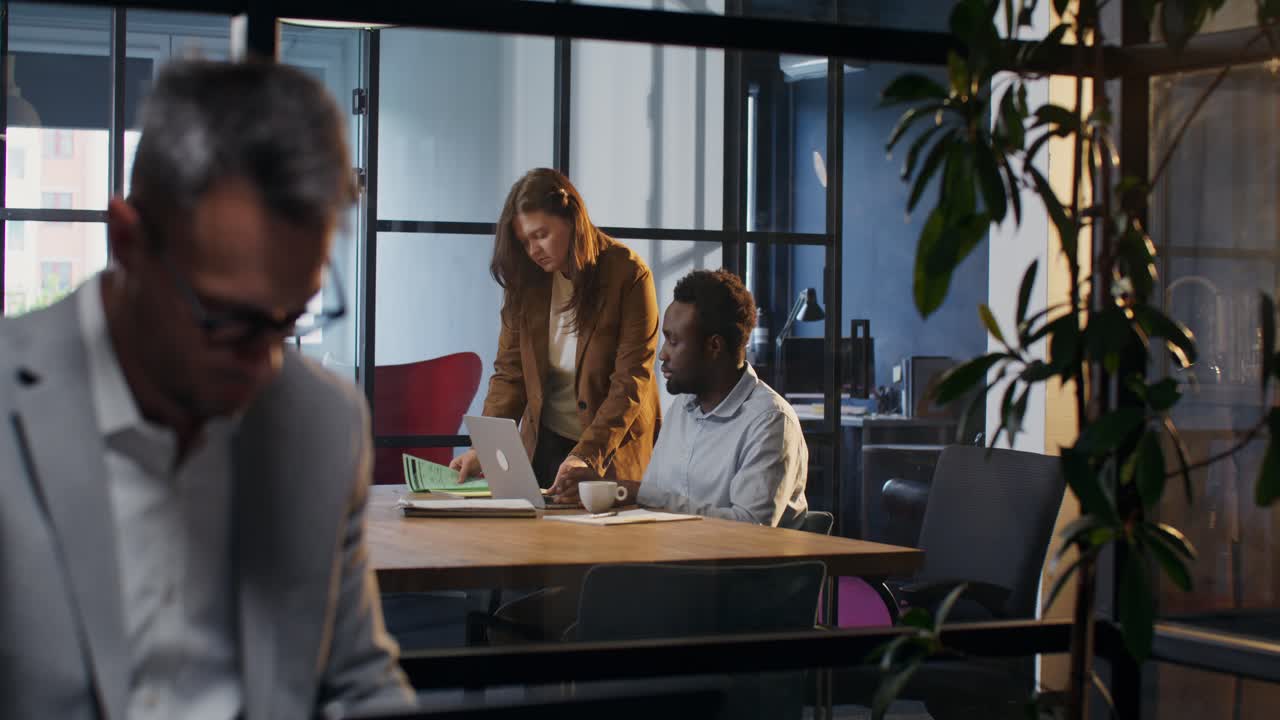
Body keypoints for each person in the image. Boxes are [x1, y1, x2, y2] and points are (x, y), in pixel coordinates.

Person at [0, 60, 413, 718]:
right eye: (229, 320)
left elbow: (358, 680)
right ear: (127, 243)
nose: (267, 364)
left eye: (293, 317)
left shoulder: (323, 423)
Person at [450, 168, 661, 489]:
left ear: (572, 220)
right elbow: (510, 373)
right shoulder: (526, 281)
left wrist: (587, 454)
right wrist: (484, 449)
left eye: (541, 234)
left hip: (609, 448)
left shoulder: (628, 274)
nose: (533, 250)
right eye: (524, 241)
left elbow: (630, 382)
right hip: (546, 443)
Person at [551, 269, 809, 528]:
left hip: (734, 566)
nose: (662, 354)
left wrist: (635, 492)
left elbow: (751, 527)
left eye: (674, 342)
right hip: (674, 557)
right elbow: (653, 501)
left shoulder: (770, 421)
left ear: (714, 347)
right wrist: (608, 493)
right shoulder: (682, 409)